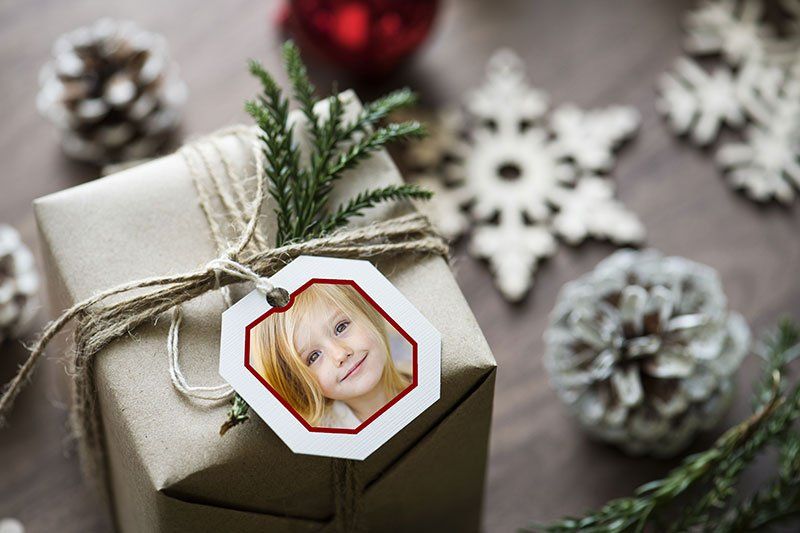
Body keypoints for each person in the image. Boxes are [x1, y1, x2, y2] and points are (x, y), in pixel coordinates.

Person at [250, 282, 411, 429]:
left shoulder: (420, 366)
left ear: (367, 313)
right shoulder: (331, 441)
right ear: (298, 384)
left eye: (341, 327)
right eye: (313, 357)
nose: (340, 354)